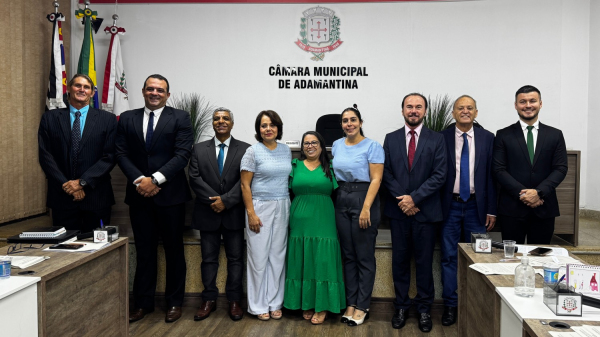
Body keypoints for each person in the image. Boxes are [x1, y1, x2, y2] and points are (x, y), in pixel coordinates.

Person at [116, 74, 193, 323]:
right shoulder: (127, 118)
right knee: (145, 251)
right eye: (150, 89)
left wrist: (156, 180)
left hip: (170, 196)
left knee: (174, 251)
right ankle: (142, 303)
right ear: (142, 91)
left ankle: (174, 302)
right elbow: (121, 153)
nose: (155, 93)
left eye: (160, 90)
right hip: (139, 196)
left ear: (167, 94)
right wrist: (141, 181)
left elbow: (182, 155)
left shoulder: (180, 117)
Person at [383, 93, 447, 333]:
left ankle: (423, 310)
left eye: (418, 107)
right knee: (399, 262)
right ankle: (400, 306)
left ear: (425, 111)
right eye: (409, 106)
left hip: (426, 213)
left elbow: (440, 174)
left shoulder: (437, 139)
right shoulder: (390, 139)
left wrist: (415, 198)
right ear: (402, 111)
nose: (413, 110)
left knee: (423, 263)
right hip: (400, 212)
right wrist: (404, 200)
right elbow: (386, 173)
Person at [439, 95, 497, 326]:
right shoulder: (440, 138)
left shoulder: (488, 138)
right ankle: (451, 306)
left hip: (477, 207)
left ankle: (477, 305)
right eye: (460, 108)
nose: (465, 111)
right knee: (448, 257)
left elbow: (493, 177)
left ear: (476, 112)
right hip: (448, 206)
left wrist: (491, 210)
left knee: (479, 257)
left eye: (469, 108)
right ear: (453, 113)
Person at [188, 108, 250, 322]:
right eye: (217, 119)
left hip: (233, 213)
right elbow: (194, 178)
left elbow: (246, 181)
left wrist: (227, 200)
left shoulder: (245, 149)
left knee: (235, 259)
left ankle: (234, 301)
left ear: (232, 123)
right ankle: (208, 300)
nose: (221, 121)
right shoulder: (198, 149)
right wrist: (216, 200)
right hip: (208, 212)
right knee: (208, 260)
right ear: (212, 123)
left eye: (225, 118)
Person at [38, 74, 117, 233]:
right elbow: (45, 156)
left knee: (98, 250)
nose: (82, 89)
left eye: (86, 87)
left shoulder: (108, 119)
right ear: (69, 89)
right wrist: (68, 185)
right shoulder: (50, 118)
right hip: (62, 197)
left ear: (92, 93)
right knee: (64, 250)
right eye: (77, 86)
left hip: (96, 198)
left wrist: (82, 182)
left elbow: (110, 156)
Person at [283, 131, 345, 325]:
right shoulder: (295, 165)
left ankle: (323, 305)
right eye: (306, 143)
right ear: (302, 147)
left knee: (323, 261)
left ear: (321, 145)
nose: (310, 146)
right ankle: (307, 302)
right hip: (300, 223)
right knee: (302, 260)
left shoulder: (331, 167)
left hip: (324, 219)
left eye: (314, 142)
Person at [493, 85, 568, 244]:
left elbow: (560, 168)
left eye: (532, 101)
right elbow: (499, 170)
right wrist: (525, 194)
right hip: (512, 209)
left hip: (544, 207)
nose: (528, 105)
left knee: (540, 258)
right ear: (516, 105)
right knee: (511, 259)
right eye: (523, 101)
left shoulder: (555, 135)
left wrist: (539, 192)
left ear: (540, 103)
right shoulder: (503, 135)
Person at [332, 106, 384, 327]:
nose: (349, 124)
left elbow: (376, 179)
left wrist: (366, 208)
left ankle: (363, 305)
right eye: (345, 121)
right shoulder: (336, 145)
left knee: (364, 255)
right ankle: (351, 303)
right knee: (348, 255)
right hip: (342, 197)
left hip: (365, 198)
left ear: (361, 122)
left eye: (353, 120)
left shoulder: (373, 146)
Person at [240, 110, 292, 321]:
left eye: (272, 125)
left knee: (277, 256)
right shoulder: (252, 151)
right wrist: (251, 213)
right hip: (259, 206)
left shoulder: (286, 150)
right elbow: (244, 184)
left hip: (283, 204)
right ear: (258, 129)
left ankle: (275, 303)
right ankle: (258, 304)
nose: (268, 129)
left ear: (278, 128)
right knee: (258, 257)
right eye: (263, 125)